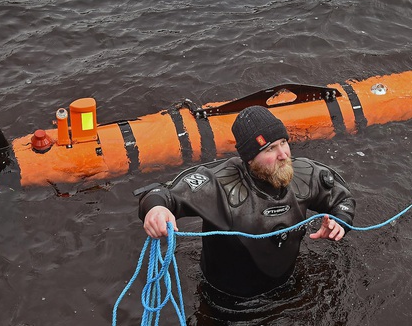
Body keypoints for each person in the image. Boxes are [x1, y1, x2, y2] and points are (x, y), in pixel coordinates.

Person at [138, 105, 356, 300]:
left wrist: (339, 222)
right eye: (270, 149)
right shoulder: (220, 185)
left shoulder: (304, 174)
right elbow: (162, 195)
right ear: (250, 158)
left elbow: (342, 198)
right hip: (226, 299)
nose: (283, 155)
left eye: (283, 143)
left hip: (285, 288)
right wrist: (156, 209)